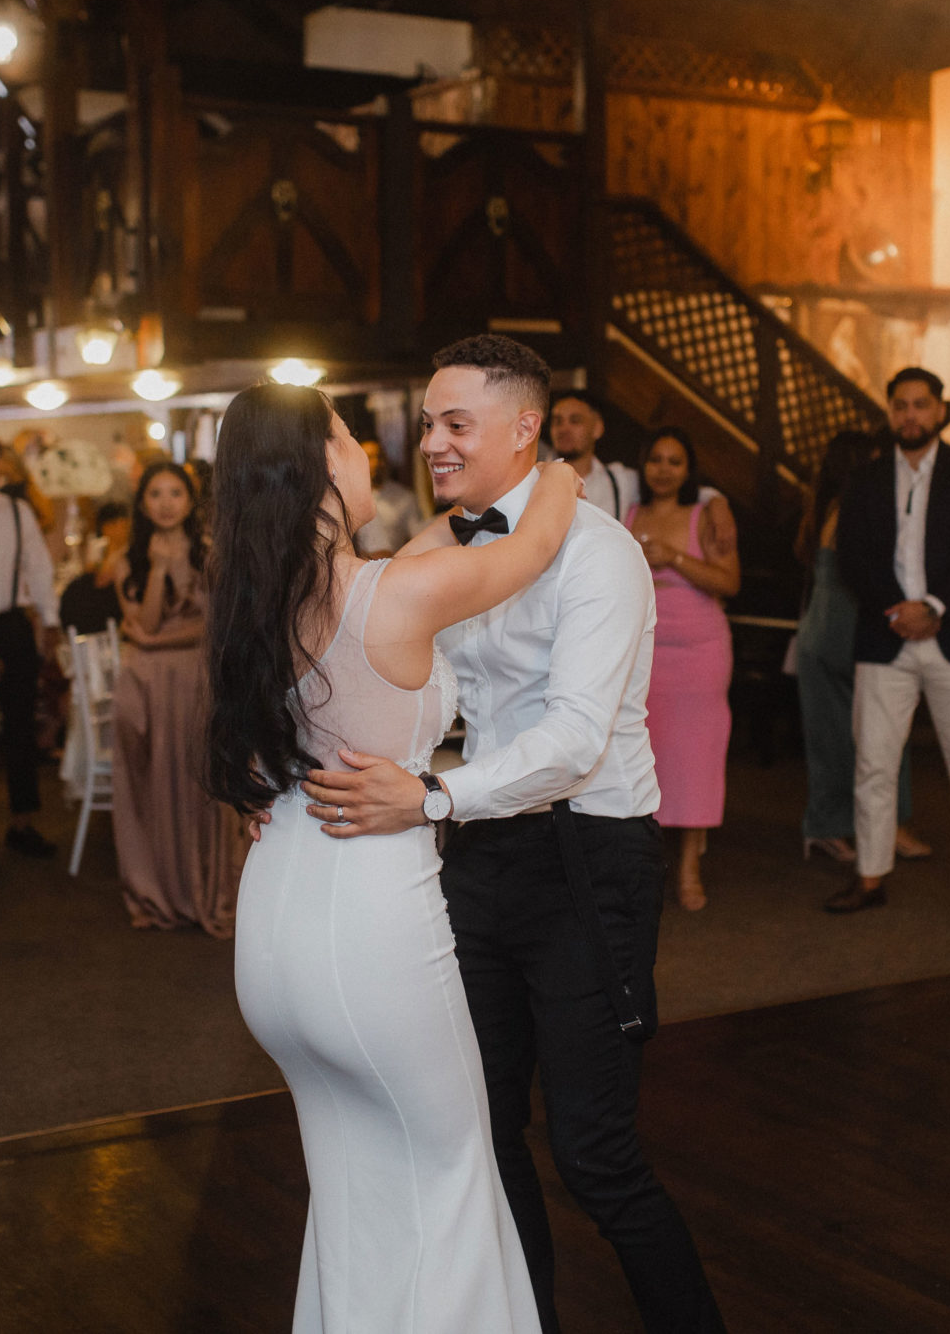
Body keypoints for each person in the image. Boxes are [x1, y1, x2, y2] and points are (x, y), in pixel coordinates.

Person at [303, 335, 726, 1332]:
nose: (433, 443)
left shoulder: (599, 549)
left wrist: (429, 797)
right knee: (484, 1136)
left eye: (457, 423)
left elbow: (575, 740)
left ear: (524, 428)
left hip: (588, 858)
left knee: (594, 1151)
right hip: (480, 857)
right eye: (427, 424)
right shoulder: (451, 547)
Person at [209, 382, 589, 1331]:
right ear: (316, 467)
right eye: (349, 438)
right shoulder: (392, 593)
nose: (371, 452)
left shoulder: (258, 598)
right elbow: (534, 545)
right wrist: (562, 467)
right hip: (370, 925)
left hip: (277, 929)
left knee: (352, 1186)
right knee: (454, 1167)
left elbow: (415, 555)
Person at [830, 367, 950, 925]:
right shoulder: (866, 478)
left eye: (920, 405)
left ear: (938, 411)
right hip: (885, 637)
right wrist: (897, 610)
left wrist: (933, 606)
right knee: (874, 764)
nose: (910, 415)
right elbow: (851, 555)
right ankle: (871, 876)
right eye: (900, 406)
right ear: (890, 414)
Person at [110, 461, 244, 934]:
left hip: (194, 678)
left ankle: (203, 887)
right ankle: (157, 891)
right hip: (144, 683)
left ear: (190, 501)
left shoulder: (212, 552)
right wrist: (160, 569)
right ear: (142, 503)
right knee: (149, 783)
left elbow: (210, 626)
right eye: (155, 494)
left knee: (197, 783)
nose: (166, 503)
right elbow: (145, 622)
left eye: (175, 493)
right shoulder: (128, 558)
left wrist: (150, 641)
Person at [794, 430, 931, 868]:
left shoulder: (824, 506)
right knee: (886, 733)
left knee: (832, 738)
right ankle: (887, 826)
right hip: (849, 631)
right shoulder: (855, 508)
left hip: (820, 631)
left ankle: (828, 829)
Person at [625, 426, 740, 911]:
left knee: (696, 759)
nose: (664, 469)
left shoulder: (705, 515)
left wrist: (673, 557)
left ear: (689, 470)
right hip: (645, 647)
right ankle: (645, 863)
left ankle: (690, 865)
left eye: (675, 461)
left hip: (699, 649)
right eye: (656, 459)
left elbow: (728, 581)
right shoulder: (630, 513)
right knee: (645, 755)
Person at [0, 434, 58, 860]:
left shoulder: (17, 511)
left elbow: (38, 567)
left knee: (21, 724)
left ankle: (23, 820)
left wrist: (50, 620)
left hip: (11, 623)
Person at [550, 389, 640, 521]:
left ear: (597, 428)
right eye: (558, 421)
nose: (564, 429)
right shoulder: (532, 478)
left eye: (575, 421)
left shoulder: (622, 480)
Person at [57, 499, 130, 636]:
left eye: (123, 525)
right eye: (116, 525)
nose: (122, 530)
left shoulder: (129, 551)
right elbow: (91, 576)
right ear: (105, 527)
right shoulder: (98, 547)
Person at [351, 437, 423, 557]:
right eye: (368, 458)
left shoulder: (404, 497)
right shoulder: (349, 497)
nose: (374, 463)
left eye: (378, 457)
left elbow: (418, 537)